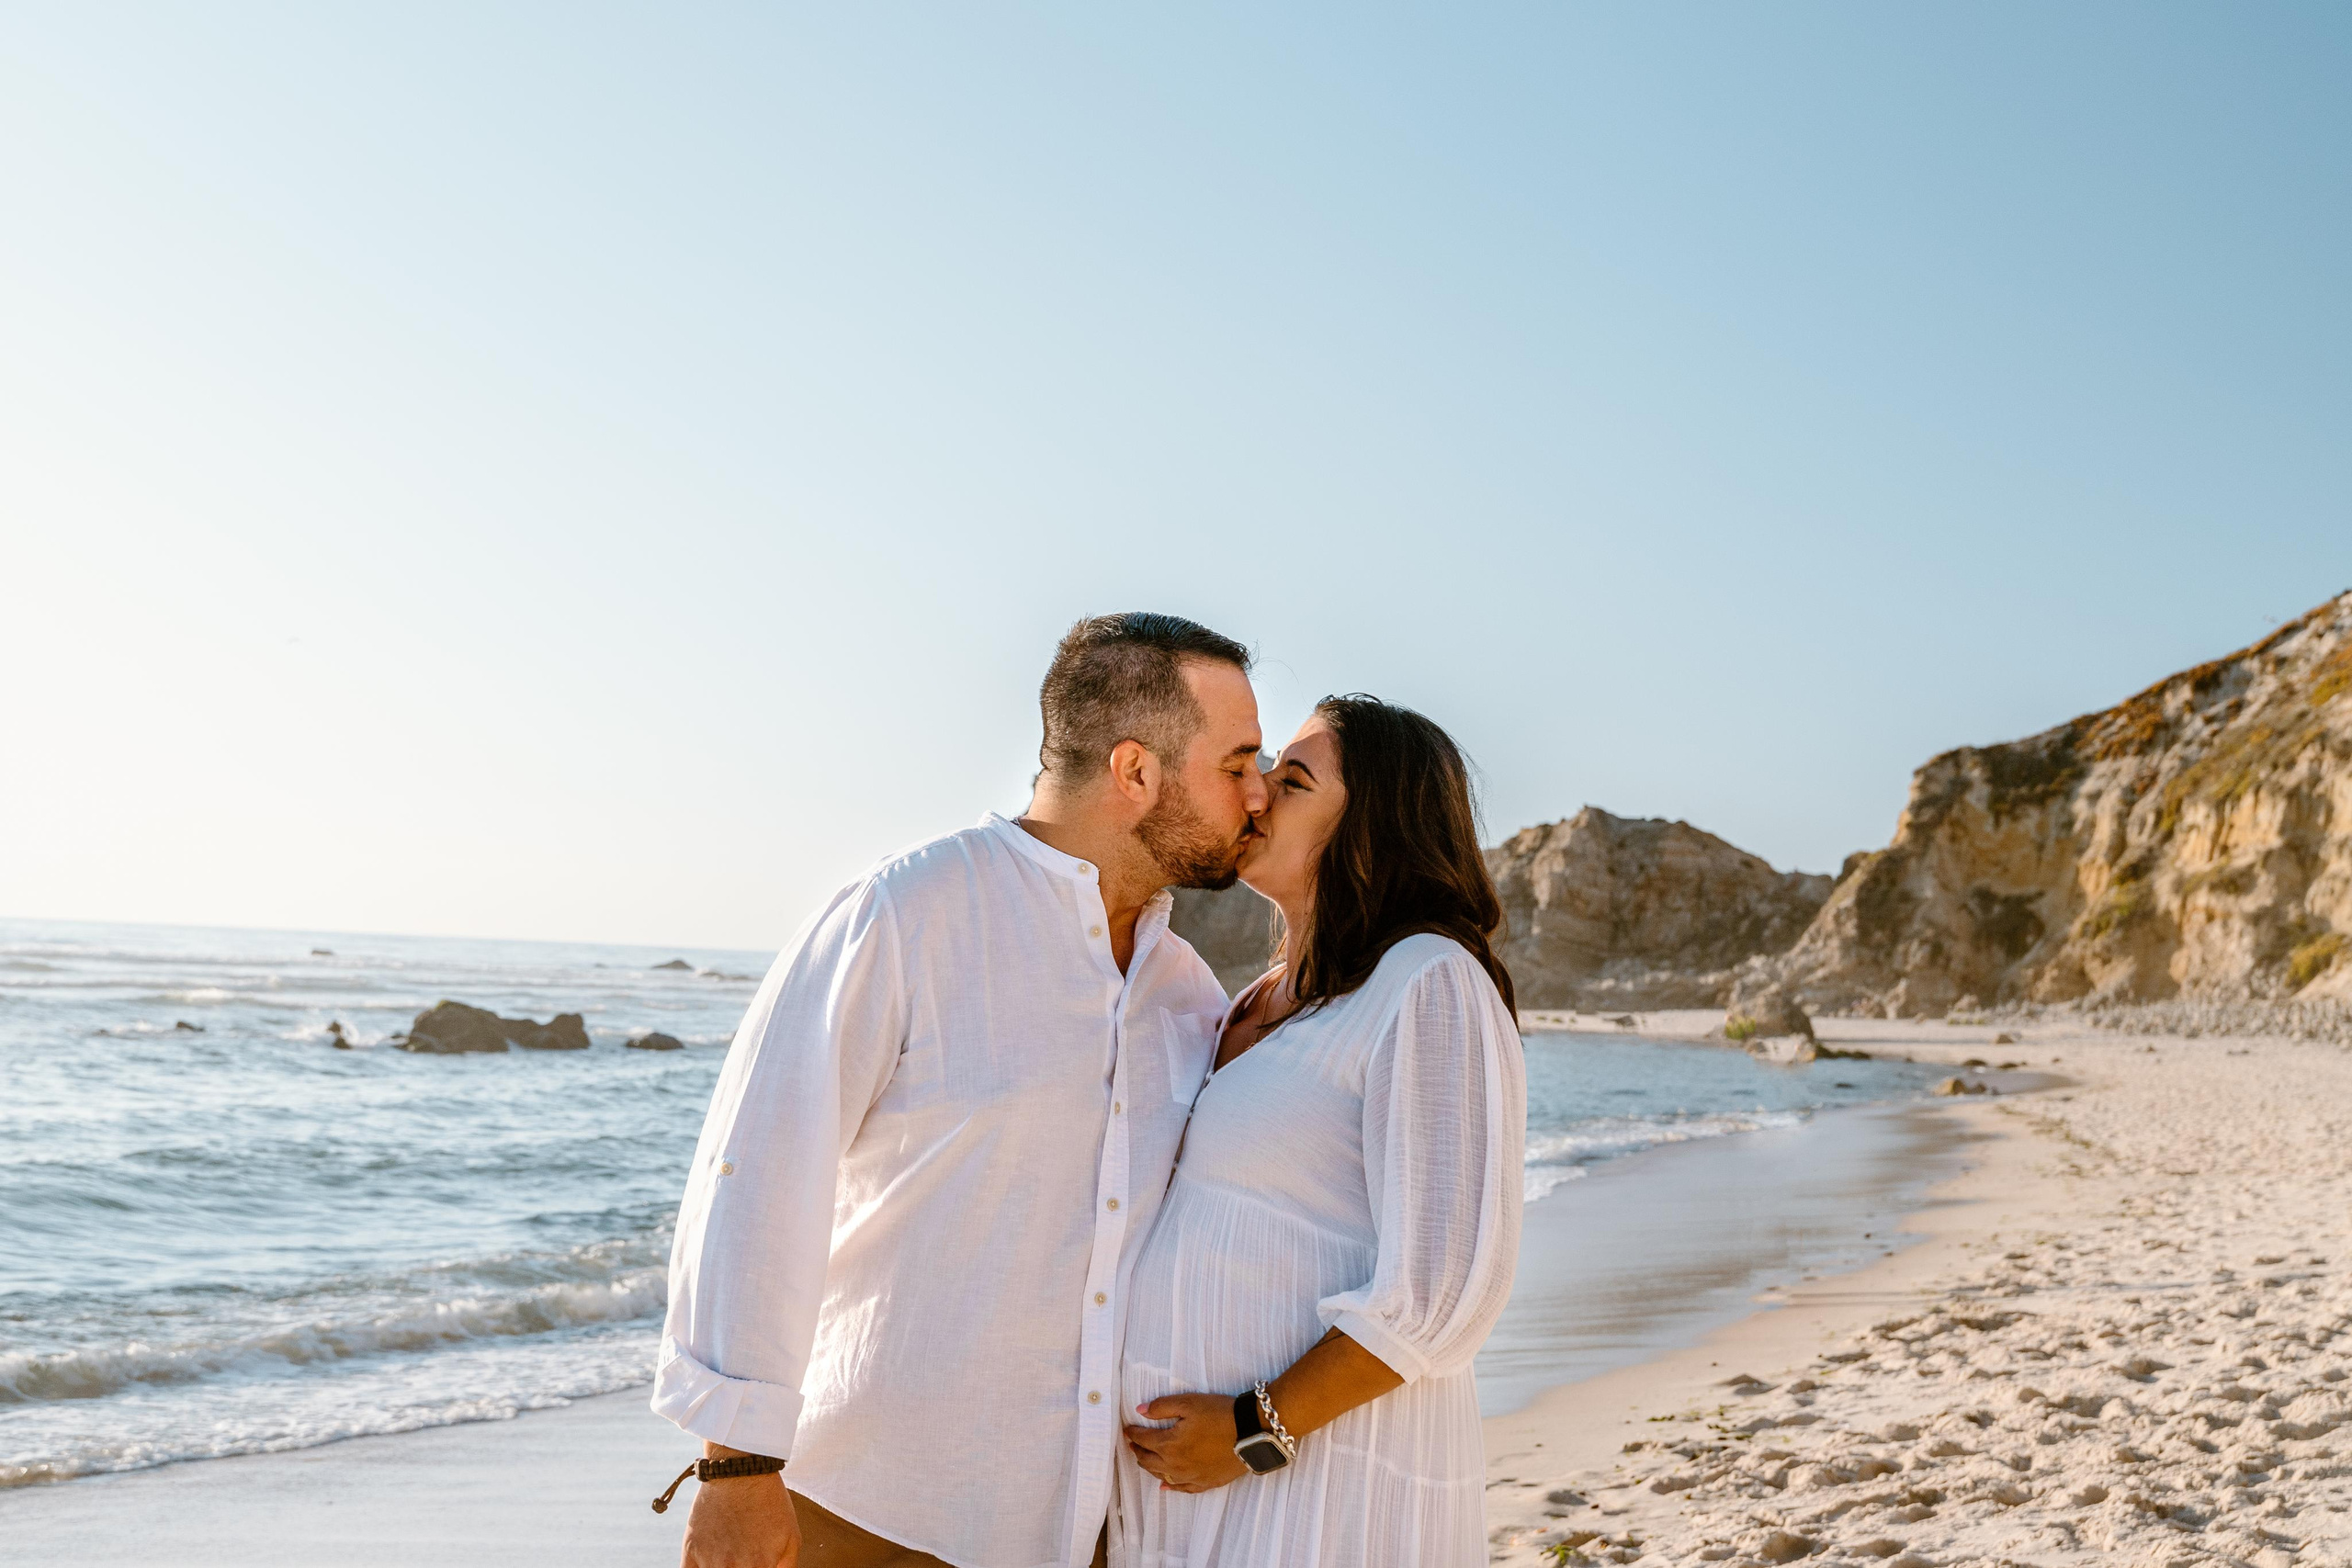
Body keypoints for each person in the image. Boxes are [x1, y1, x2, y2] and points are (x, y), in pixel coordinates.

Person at [653, 613, 1267, 1568]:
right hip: (873, 1508)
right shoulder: (905, 913)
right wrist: (733, 1468)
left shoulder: (1187, 991)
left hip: (1093, 1524)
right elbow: (758, 1179)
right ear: (1137, 771)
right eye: (1236, 763)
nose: (1258, 793)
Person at [1115, 695, 1525, 1567]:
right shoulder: (1255, 997)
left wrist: (1250, 1431)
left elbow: (1443, 1292)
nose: (1257, 794)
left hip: (1315, 1481)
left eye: (1292, 781)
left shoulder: (1429, 981)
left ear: (1373, 828)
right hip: (1189, 1488)